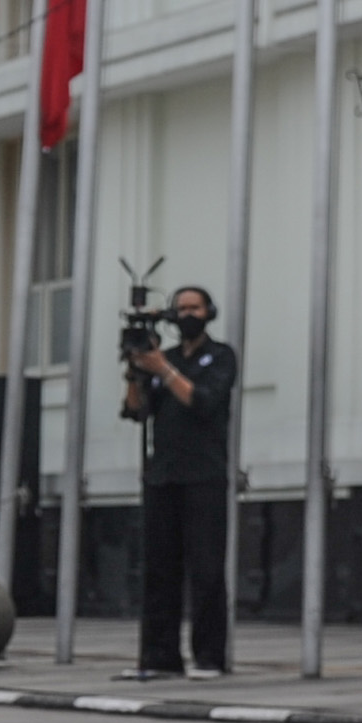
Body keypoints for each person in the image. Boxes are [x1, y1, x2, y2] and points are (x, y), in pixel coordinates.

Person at [121, 288, 237, 680]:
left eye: (195, 308)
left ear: (209, 312)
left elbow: (202, 401)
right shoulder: (163, 360)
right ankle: (159, 656)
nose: (187, 314)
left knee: (206, 570)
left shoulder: (220, 357)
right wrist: (135, 372)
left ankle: (208, 657)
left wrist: (164, 372)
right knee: (159, 569)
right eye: (181, 308)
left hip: (204, 474)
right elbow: (137, 412)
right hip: (163, 475)